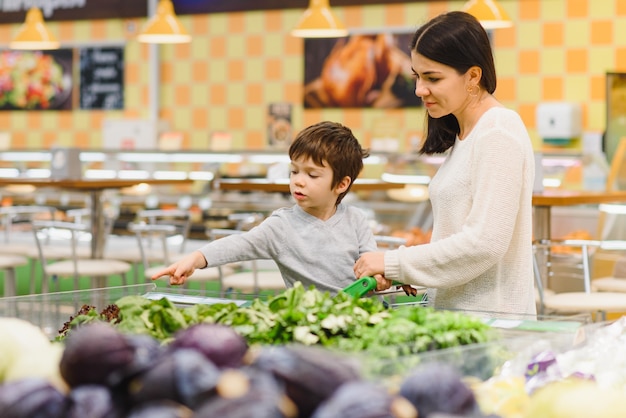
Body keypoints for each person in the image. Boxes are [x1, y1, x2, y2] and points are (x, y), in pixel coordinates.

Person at [353, 11, 537, 317]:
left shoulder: (498, 131)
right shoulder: (465, 135)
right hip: (460, 318)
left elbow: (485, 243)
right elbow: (457, 238)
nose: (419, 90)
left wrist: (394, 263)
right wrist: (411, 274)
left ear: (473, 76)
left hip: (493, 324)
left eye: (433, 78)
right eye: (417, 76)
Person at [151, 121, 378, 295]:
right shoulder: (282, 226)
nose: (298, 180)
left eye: (312, 174)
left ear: (341, 184)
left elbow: (371, 262)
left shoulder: (356, 220)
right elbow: (240, 244)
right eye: (294, 171)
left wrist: (386, 274)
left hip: (365, 313)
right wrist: (196, 258)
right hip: (313, 322)